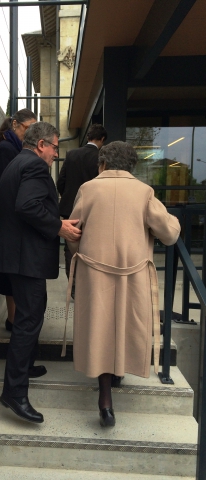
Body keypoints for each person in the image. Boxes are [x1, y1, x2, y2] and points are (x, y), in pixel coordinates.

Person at [64, 141, 180, 427]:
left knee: (101, 327)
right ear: (131, 166)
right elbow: (169, 234)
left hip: (94, 271)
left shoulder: (88, 189)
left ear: (102, 163)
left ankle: (105, 398)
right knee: (127, 324)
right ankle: (117, 373)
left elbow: (72, 233)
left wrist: (78, 250)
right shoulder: (144, 192)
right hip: (133, 272)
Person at [0, 122, 81, 424]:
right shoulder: (34, 167)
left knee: (33, 314)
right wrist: (59, 226)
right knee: (29, 321)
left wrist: (58, 220)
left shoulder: (18, 162)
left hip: (19, 257)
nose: (57, 154)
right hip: (25, 260)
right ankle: (14, 393)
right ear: (42, 144)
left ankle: (26, 364)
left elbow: (27, 207)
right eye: (56, 147)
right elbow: (28, 205)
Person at [0, 109, 37, 332]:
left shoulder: (16, 148)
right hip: (12, 223)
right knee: (11, 278)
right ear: (16, 124)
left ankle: (15, 321)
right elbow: (6, 188)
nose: (31, 134)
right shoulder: (6, 149)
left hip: (16, 223)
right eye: (29, 128)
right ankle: (12, 321)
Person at [57, 124, 107, 295]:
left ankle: (73, 286)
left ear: (88, 137)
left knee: (70, 246)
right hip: (94, 210)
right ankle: (90, 286)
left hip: (70, 208)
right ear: (102, 139)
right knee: (93, 245)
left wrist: (70, 198)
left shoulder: (71, 154)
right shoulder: (102, 158)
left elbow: (60, 182)